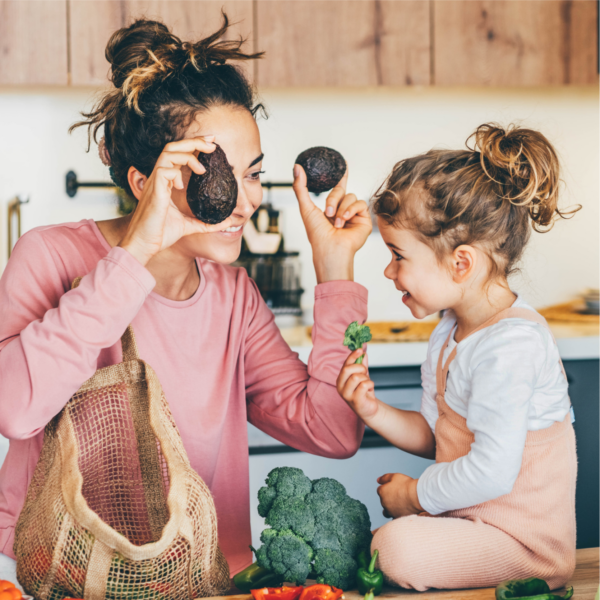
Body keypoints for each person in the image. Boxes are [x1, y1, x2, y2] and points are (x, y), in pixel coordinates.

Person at [0, 16, 372, 577]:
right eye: (214, 171)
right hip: (59, 578)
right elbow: (15, 409)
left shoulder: (232, 295)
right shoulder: (51, 257)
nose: (244, 201)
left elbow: (333, 430)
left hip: (202, 579)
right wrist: (136, 255)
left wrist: (335, 270)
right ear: (144, 180)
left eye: (253, 174)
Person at [337, 124, 579, 591]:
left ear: (460, 263)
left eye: (397, 254)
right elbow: (439, 439)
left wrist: (413, 495)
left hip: (523, 544)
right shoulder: (450, 331)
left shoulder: (510, 347)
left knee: (393, 548)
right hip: (472, 525)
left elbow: (490, 470)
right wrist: (372, 410)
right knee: (387, 544)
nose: (389, 271)